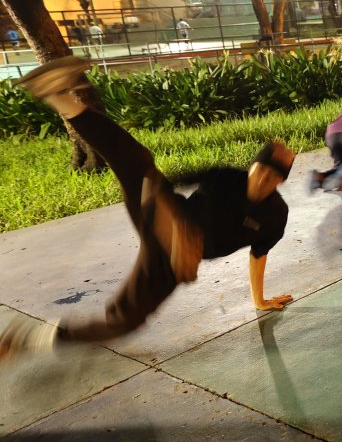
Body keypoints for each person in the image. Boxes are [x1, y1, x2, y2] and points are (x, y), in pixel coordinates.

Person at [0, 56, 295, 359]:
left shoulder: (275, 216)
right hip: (163, 215)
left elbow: (258, 255)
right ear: (252, 166)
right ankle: (58, 96)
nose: (263, 179)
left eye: (273, 177)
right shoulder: (225, 176)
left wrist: (258, 300)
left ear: (280, 182)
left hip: (169, 262)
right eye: (260, 170)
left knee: (125, 321)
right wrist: (166, 213)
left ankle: (31, 338)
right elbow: (164, 183)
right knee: (138, 160)